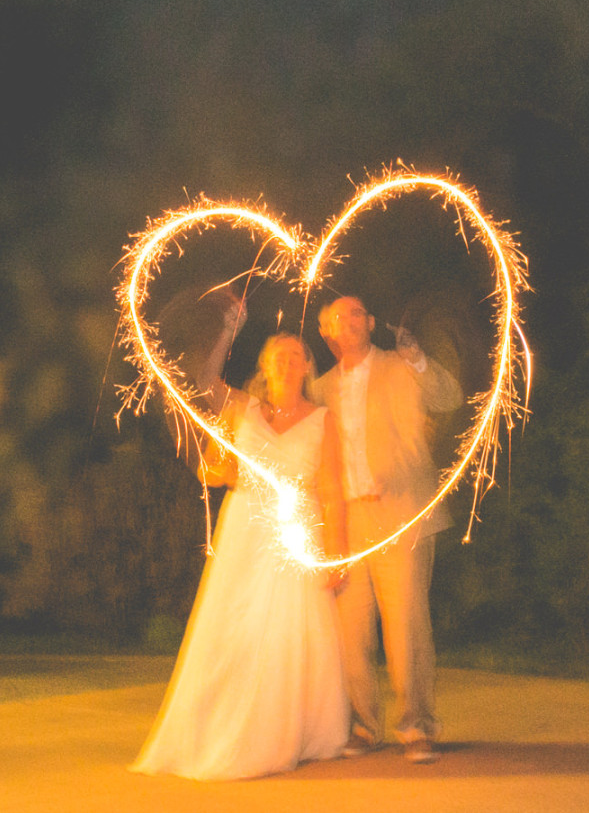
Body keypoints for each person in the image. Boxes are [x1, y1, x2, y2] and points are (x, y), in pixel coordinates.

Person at [131, 301, 350, 780]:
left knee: (291, 634)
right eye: (278, 355)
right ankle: (222, 726)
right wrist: (229, 329)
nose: (287, 363)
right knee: (235, 628)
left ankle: (292, 730)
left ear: (308, 366)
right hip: (245, 530)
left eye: (296, 356)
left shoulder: (322, 419)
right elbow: (209, 423)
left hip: (297, 532)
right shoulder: (240, 409)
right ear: (264, 365)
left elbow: (333, 492)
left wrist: (336, 555)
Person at [312, 295, 464, 764]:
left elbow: (449, 397)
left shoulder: (401, 366)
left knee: (407, 626)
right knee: (351, 632)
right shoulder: (321, 391)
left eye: (358, 313)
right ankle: (364, 725)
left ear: (371, 323)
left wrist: (418, 357)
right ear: (328, 332)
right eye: (340, 317)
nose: (350, 321)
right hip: (348, 522)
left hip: (402, 513)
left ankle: (417, 727)